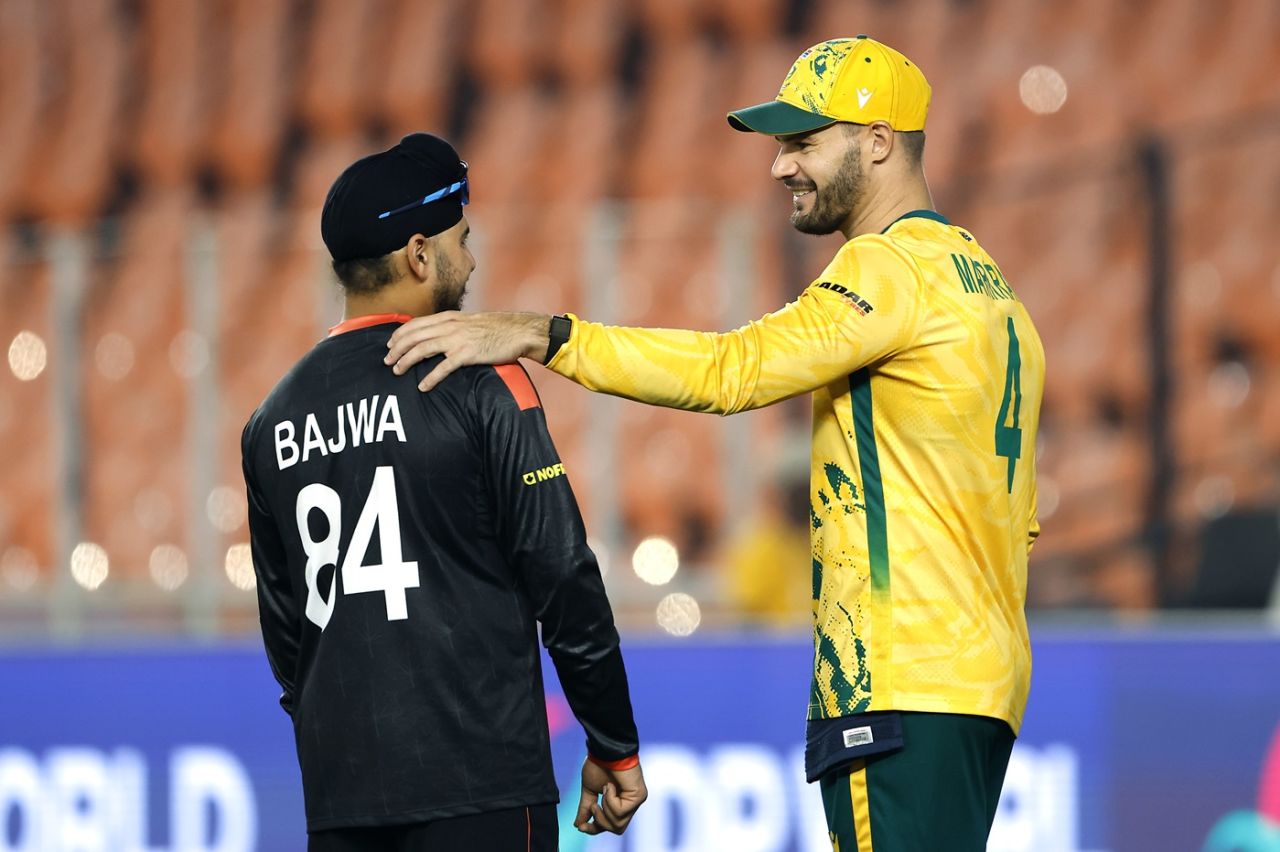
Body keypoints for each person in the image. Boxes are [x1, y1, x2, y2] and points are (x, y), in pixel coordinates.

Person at [384, 36, 1046, 852]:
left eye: (804, 141)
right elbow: (1019, 515)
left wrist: (545, 334)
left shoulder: (887, 269)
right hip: (981, 680)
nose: (780, 167)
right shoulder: (987, 284)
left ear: (879, 142)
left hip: (900, 680)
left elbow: (735, 370)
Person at [240, 132, 646, 852]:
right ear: (419, 254)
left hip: (343, 801)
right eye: (463, 237)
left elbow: (288, 636)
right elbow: (562, 574)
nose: (475, 257)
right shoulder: (481, 382)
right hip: (481, 784)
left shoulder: (271, 419)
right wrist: (614, 744)